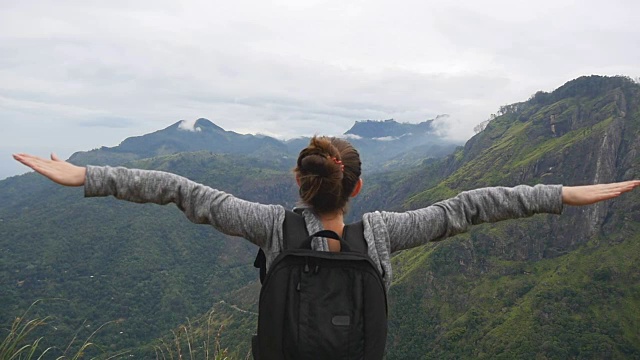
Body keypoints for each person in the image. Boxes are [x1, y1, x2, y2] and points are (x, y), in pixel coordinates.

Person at [11, 136, 640, 292]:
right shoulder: (387, 234)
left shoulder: (270, 227)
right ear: (358, 189)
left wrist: (88, 176)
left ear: (300, 184)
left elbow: (178, 188)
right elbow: (475, 207)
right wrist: (564, 193)